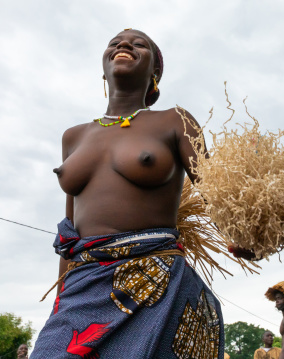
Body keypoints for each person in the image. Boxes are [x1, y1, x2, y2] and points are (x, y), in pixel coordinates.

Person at [31, 29, 225, 358]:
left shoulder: (174, 120)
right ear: (103, 68)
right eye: (115, 42)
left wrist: (244, 234)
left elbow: (217, 193)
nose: (123, 45)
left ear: (155, 74)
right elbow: (70, 231)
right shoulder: (73, 136)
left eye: (139, 44)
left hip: (156, 283)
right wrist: (60, 299)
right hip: (82, 285)